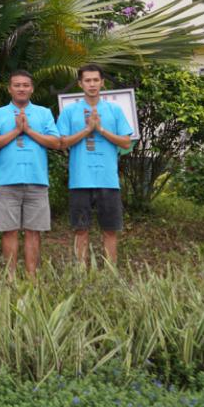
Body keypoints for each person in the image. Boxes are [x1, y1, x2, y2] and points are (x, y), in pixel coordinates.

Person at [0, 69, 60, 276]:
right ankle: (10, 280)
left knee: (33, 231)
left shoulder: (44, 113)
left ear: (32, 89)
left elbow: (55, 142)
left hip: (37, 181)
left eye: (25, 85)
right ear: (9, 89)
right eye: (17, 85)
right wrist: (16, 131)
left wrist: (28, 131)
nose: (21, 89)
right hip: (7, 181)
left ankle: (31, 279)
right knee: (8, 230)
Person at [57, 63, 133, 266]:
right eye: (87, 80)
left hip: (108, 179)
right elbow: (61, 143)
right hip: (80, 179)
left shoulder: (114, 110)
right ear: (80, 84)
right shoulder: (69, 111)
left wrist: (100, 130)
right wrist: (86, 130)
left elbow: (126, 142)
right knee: (80, 229)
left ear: (102, 83)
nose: (92, 84)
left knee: (110, 229)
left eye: (95, 80)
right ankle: (81, 272)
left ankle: (110, 271)